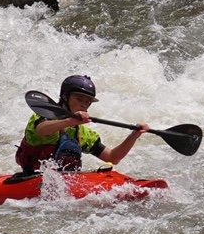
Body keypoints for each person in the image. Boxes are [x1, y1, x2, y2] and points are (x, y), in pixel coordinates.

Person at [13, 74, 146, 175]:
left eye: (88, 101)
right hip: (31, 179)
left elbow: (113, 157)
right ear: (65, 97)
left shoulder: (81, 133)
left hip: (63, 183)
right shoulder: (43, 117)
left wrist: (133, 136)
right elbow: (42, 130)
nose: (84, 104)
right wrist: (70, 121)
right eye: (79, 99)